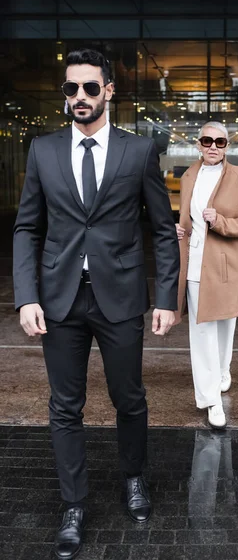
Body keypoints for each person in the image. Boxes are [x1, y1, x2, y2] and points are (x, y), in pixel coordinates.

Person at [13, 48, 179, 560]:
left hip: (121, 297)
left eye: (89, 88)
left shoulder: (138, 152)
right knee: (65, 407)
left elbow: (163, 231)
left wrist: (167, 298)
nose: (79, 97)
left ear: (109, 91)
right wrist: (26, 297)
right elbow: (27, 227)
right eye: (71, 89)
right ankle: (74, 503)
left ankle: (133, 479)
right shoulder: (42, 150)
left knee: (128, 398)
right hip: (59, 299)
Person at [175, 121, 238, 428]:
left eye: (220, 142)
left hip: (228, 266)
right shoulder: (188, 176)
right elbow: (187, 219)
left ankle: (223, 371)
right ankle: (211, 400)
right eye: (207, 140)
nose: (213, 146)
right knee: (202, 334)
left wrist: (221, 222)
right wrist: (180, 231)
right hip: (195, 265)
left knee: (226, 326)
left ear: (228, 146)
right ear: (198, 144)